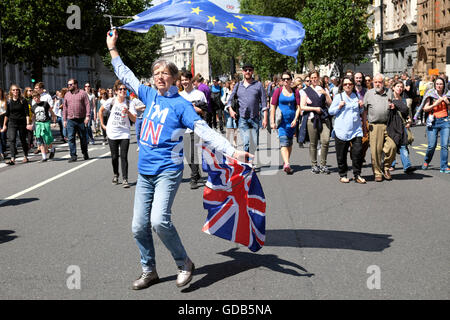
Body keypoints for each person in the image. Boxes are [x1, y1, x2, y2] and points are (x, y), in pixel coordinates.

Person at [106, 29, 250, 290]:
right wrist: (112, 48)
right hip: (145, 172)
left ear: (173, 78)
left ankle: (184, 262)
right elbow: (125, 74)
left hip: (167, 171)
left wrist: (232, 151)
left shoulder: (182, 105)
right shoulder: (147, 95)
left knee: (159, 221)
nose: (160, 76)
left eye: (165, 73)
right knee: (138, 226)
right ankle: (148, 270)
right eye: (156, 72)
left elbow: (203, 131)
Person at [227, 62, 268, 169]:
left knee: (254, 142)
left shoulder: (258, 85)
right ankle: (247, 163)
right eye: (246, 70)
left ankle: (250, 160)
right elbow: (229, 100)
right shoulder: (238, 85)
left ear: (252, 72)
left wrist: (265, 117)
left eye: (250, 70)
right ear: (243, 72)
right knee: (246, 142)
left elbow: (264, 102)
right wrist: (230, 110)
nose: (248, 72)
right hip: (242, 118)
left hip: (255, 118)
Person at [99, 80, 137, 188]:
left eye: (125, 89)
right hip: (112, 132)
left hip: (124, 133)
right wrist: (102, 124)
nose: (123, 91)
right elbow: (100, 111)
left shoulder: (130, 103)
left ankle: (125, 179)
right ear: (116, 91)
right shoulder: (111, 101)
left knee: (124, 156)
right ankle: (116, 174)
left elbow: (134, 119)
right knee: (114, 156)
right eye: (120, 89)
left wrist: (128, 112)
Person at [329, 76, 366, 184]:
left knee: (358, 152)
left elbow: (361, 111)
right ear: (342, 86)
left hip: (356, 129)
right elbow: (331, 111)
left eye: (350, 84)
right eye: (345, 84)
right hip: (342, 130)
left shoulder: (356, 96)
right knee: (342, 154)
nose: (348, 86)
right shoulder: (338, 96)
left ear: (353, 85)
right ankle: (343, 174)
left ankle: (357, 174)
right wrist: (339, 107)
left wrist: (361, 106)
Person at [363, 74, 397, 182]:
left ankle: (386, 167)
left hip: (388, 124)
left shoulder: (389, 92)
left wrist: (393, 106)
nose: (378, 84)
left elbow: (394, 105)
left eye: (380, 82)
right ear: (373, 82)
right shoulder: (369, 93)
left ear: (383, 82)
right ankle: (377, 172)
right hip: (375, 125)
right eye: (376, 82)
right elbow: (364, 110)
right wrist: (364, 125)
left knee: (392, 146)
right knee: (376, 151)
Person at [300, 70, 333, 174]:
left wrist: (326, 95)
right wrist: (314, 108)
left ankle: (323, 164)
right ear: (310, 79)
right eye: (312, 78)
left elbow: (330, 104)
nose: (314, 79)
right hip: (312, 119)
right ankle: (314, 164)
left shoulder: (324, 89)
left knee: (325, 141)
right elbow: (302, 106)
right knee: (313, 143)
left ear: (319, 78)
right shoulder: (305, 91)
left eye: (316, 77)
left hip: (324, 118)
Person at [179, 70, 208, 190]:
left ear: (191, 80)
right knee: (187, 154)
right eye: (182, 80)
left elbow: (205, 111)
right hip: (183, 128)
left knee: (193, 153)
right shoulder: (180, 96)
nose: (184, 82)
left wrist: (196, 109)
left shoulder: (199, 94)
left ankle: (194, 177)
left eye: (186, 79)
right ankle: (196, 171)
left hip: (196, 127)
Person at [270, 71, 301, 174]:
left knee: (289, 143)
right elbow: (273, 106)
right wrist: (272, 121)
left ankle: (286, 161)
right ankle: (287, 164)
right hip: (281, 122)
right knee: (283, 142)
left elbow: (298, 107)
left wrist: (295, 119)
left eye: (288, 79)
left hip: (292, 122)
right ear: (281, 81)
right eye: (284, 79)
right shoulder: (277, 91)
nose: (286, 81)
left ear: (291, 80)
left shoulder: (295, 91)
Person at [421, 77, 449, 173]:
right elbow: (425, 109)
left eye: (441, 84)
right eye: (437, 84)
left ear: (444, 85)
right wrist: (435, 104)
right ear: (434, 85)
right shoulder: (431, 95)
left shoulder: (447, 95)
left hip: (445, 121)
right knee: (431, 146)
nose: (439, 86)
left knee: (445, 145)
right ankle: (426, 160)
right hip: (433, 122)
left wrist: (447, 101)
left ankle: (444, 166)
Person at [387, 81, 416, 174]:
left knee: (403, 145)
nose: (399, 88)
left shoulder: (403, 99)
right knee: (393, 145)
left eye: (401, 87)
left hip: (402, 125)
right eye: (397, 86)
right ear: (393, 87)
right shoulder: (389, 99)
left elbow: (406, 113)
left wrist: (409, 120)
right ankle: (391, 164)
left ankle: (407, 166)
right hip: (392, 125)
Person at [63, 78, 91, 163]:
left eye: (71, 84)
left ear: (75, 85)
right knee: (71, 138)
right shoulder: (67, 95)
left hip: (81, 119)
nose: (69, 86)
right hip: (70, 120)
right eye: (68, 85)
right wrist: (64, 120)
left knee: (83, 138)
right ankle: (73, 155)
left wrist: (87, 116)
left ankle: (85, 152)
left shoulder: (82, 93)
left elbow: (87, 105)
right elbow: (65, 108)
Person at [1, 85, 30, 164]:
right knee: (12, 139)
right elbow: (7, 114)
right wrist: (4, 125)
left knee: (23, 139)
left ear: (19, 91)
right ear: (11, 91)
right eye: (13, 90)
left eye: (17, 90)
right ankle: (12, 158)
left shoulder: (23, 100)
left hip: (22, 123)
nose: (15, 91)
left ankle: (25, 156)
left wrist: (28, 123)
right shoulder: (9, 101)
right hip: (12, 123)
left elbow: (27, 113)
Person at [30, 90, 57, 162]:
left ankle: (52, 148)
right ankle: (44, 157)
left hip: (46, 123)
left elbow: (52, 112)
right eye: (35, 98)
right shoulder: (33, 107)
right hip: (38, 124)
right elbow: (33, 116)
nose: (36, 99)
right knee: (39, 140)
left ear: (39, 97)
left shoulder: (45, 104)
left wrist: (54, 121)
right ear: (33, 99)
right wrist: (32, 124)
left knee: (48, 139)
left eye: (37, 97)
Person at [223, 81, 238, 148]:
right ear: (230, 85)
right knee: (229, 127)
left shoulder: (237, 93)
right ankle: (227, 141)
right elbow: (222, 99)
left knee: (235, 127)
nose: (233, 86)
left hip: (235, 111)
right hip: (228, 111)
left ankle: (234, 141)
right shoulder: (227, 92)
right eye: (232, 85)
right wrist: (225, 102)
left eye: (234, 85)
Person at [0, 88, 7, 160]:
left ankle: (4, 150)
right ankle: (1, 152)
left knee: (3, 136)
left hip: (4, 119)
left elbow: (7, 111)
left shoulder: (5, 101)